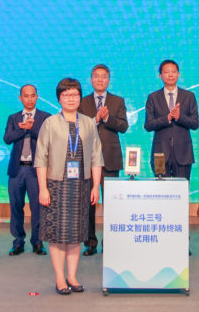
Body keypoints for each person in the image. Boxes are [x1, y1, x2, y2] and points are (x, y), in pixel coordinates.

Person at [35, 78, 103, 295]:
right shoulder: (50, 123)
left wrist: (95, 186)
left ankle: (72, 276)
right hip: (56, 185)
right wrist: (43, 188)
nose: (71, 99)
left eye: (74, 95)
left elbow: (96, 156)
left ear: (80, 97)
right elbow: (41, 157)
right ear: (59, 99)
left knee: (76, 233)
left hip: (81, 186)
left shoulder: (89, 123)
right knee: (57, 234)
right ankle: (59, 278)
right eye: (66, 95)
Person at [78, 63, 129, 256]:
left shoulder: (117, 101)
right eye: (96, 76)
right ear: (91, 80)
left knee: (112, 203)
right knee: (88, 204)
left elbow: (123, 126)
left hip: (110, 158)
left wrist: (108, 119)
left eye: (104, 76)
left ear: (109, 80)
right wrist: (96, 120)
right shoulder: (82, 102)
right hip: (87, 159)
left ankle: (111, 241)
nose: (100, 79)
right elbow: (78, 128)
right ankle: (90, 242)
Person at [3, 84, 51, 256]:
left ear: (37, 97)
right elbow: (7, 138)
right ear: (20, 98)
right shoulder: (13, 118)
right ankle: (18, 241)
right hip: (16, 169)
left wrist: (32, 128)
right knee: (16, 206)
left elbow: (49, 139)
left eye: (32, 95)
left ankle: (37, 242)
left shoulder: (45, 117)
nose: (29, 99)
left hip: (36, 170)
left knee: (38, 208)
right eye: (26, 96)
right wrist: (22, 129)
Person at [144, 60, 199, 179]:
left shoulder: (189, 96)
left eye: (173, 72)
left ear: (178, 74)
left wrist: (180, 117)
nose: (170, 75)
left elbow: (195, 124)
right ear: (160, 76)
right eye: (166, 72)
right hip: (160, 154)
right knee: (161, 189)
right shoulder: (153, 97)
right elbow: (148, 125)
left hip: (183, 154)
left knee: (182, 188)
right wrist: (167, 118)